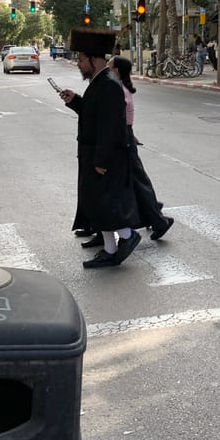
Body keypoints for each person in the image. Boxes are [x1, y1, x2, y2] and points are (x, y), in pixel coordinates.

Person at [58, 28, 142, 269]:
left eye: (81, 60)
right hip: (92, 154)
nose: (78, 65)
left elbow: (111, 127)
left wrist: (101, 159)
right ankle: (109, 250)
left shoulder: (109, 85)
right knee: (98, 204)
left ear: (94, 60)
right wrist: (75, 101)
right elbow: (94, 114)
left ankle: (127, 236)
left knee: (106, 203)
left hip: (103, 156)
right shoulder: (99, 82)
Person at [81, 55, 174, 248]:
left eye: (110, 65)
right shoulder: (117, 86)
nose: (107, 67)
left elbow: (116, 119)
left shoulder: (116, 89)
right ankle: (153, 217)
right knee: (134, 183)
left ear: (117, 71)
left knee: (137, 183)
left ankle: (157, 219)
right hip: (125, 137)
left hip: (122, 139)